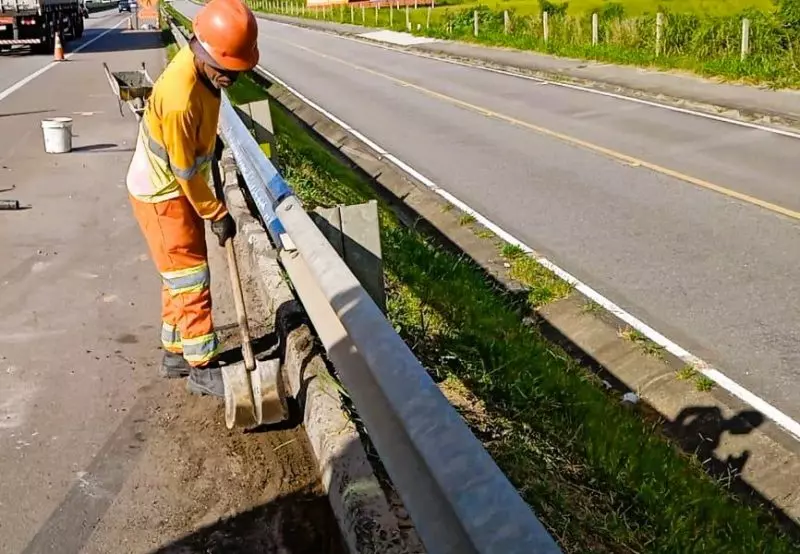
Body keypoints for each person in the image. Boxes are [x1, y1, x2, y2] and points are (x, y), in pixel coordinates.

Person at [125, 0, 259, 397]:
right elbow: (184, 172)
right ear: (201, 52)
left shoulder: (204, 73)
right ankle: (201, 366)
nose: (230, 78)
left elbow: (194, 153)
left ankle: (174, 352)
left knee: (176, 276)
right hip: (162, 194)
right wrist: (217, 212)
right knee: (191, 278)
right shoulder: (180, 97)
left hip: (172, 187)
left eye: (237, 70)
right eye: (225, 69)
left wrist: (211, 146)